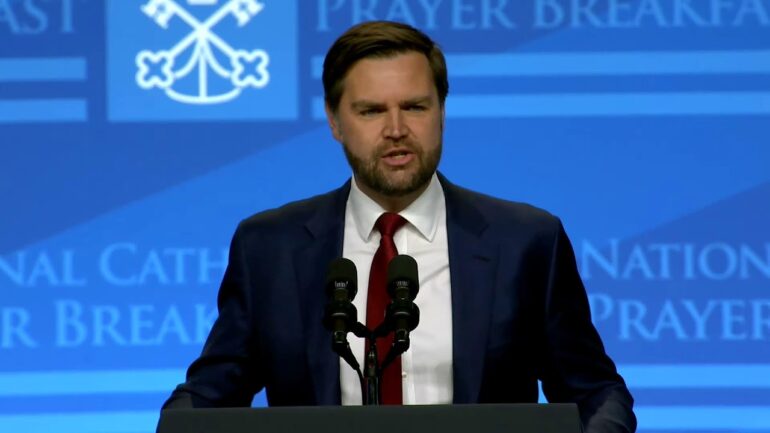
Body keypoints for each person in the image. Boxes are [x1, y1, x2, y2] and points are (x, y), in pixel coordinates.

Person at [161, 20, 636, 432]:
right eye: (371, 110)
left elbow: (596, 392)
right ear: (334, 121)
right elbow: (210, 396)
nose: (396, 129)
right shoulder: (270, 248)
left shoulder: (526, 241)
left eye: (415, 106)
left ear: (441, 111)